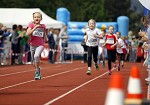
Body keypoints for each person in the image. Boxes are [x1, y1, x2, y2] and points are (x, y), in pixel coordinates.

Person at [26, 12, 48, 80]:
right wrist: (35, 27)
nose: (36, 18)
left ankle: (37, 72)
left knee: (36, 56)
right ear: (33, 18)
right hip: (32, 45)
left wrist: (46, 37)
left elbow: (44, 33)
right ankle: (38, 70)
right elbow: (27, 33)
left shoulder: (43, 26)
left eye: (38, 17)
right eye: (35, 17)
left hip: (40, 45)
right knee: (33, 62)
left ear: (41, 18)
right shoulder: (31, 25)